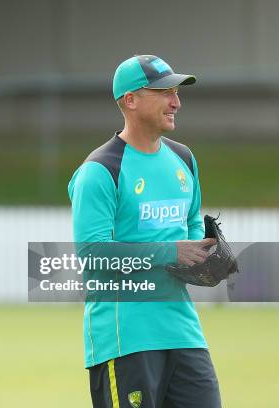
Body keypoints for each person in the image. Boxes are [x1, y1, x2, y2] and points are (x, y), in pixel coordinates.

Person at [68, 55, 222, 407]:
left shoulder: (184, 159)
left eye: (176, 92)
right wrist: (171, 252)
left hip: (183, 332)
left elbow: (193, 230)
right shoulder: (100, 170)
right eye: (164, 92)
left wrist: (205, 260)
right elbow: (92, 254)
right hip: (125, 339)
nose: (176, 102)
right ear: (130, 100)